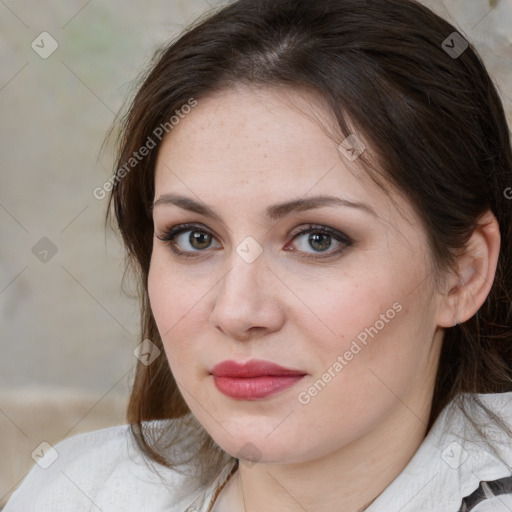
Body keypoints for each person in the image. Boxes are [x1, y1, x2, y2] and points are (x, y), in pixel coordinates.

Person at [5, 0, 512, 510]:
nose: (237, 311)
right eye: (194, 237)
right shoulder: (77, 489)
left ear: (463, 275)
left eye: (318, 239)